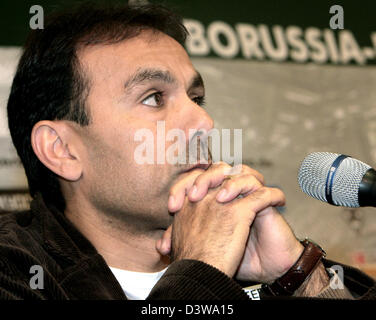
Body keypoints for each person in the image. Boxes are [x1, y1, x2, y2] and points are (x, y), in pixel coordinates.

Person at [1, 2, 375, 300]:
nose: (203, 122)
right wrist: (203, 270)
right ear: (62, 149)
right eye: (153, 98)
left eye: (197, 98)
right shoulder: (15, 272)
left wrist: (298, 276)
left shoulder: (260, 261)